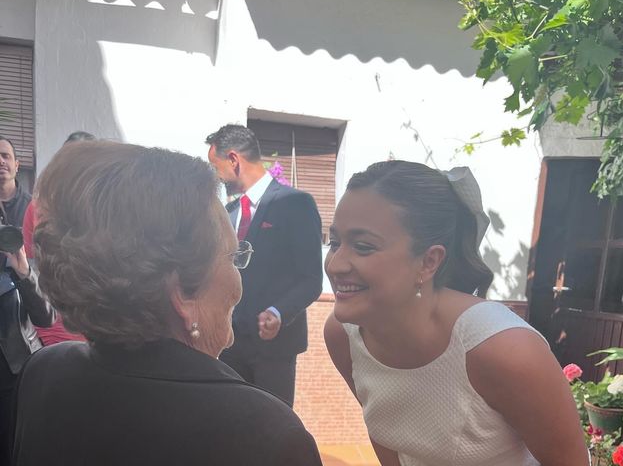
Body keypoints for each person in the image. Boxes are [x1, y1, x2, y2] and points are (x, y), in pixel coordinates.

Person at [11, 140, 322, 466]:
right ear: (183, 295)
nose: (238, 284)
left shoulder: (44, 371)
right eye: (232, 258)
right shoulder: (269, 434)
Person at [324, 160, 589, 466]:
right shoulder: (343, 336)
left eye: (363, 246)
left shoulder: (505, 351)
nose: (335, 264)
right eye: (334, 242)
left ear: (428, 262)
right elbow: (390, 444)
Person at [206, 125, 323, 405]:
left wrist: (278, 312)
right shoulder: (228, 213)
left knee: (273, 432)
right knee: (232, 427)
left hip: (274, 348)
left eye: (215, 166)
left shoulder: (295, 203)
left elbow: (311, 280)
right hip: (230, 346)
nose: (216, 177)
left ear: (234, 159)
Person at [0, 135, 55, 465]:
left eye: (5, 155)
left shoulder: (34, 212)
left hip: (17, 356)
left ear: (17, 164)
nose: (0, 161)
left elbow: (45, 313)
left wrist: (22, 270)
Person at [23, 131, 95, 345]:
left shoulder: (107, 212)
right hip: (50, 332)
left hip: (99, 334)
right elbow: (31, 270)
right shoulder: (37, 208)